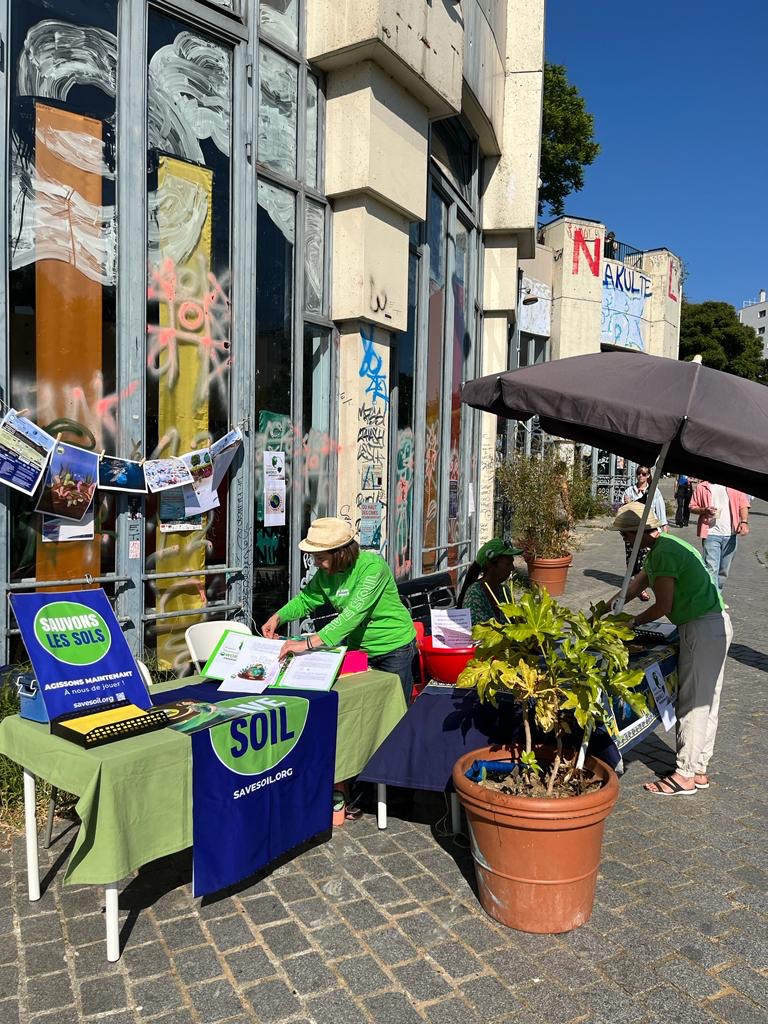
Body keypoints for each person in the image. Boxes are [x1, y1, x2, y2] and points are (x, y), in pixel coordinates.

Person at [609, 502, 732, 796]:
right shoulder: (666, 546)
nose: (625, 541)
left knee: (692, 703)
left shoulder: (662, 553)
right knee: (706, 701)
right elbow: (632, 587)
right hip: (715, 625)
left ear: (640, 533)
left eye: (626, 535)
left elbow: (662, 606)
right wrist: (602, 611)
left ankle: (684, 775)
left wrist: (631, 623)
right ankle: (698, 768)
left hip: (701, 628)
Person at [261, 517, 417, 704]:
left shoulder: (373, 567)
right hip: (358, 650)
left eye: (320, 558)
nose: (316, 564)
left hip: (394, 648)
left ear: (341, 553)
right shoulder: (325, 575)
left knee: (395, 708)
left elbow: (353, 614)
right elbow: (305, 600)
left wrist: (308, 643)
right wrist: (278, 617)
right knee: (362, 707)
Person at [689, 481, 750, 592]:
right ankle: (713, 602)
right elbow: (692, 507)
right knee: (712, 569)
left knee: (723, 571)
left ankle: (717, 596)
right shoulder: (702, 486)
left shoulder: (735, 486)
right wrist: (704, 510)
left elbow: (744, 505)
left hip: (731, 534)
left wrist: (744, 522)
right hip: (711, 534)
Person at [620, 466, 668, 600]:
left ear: (648, 476)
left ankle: (644, 587)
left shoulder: (654, 492)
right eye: (639, 473)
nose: (641, 476)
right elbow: (622, 512)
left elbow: (661, 514)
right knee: (632, 559)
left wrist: (665, 532)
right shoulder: (629, 491)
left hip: (649, 532)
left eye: (644, 474)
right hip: (632, 532)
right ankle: (638, 586)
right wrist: (625, 505)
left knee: (645, 560)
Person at [457, 538, 523, 625]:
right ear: (490, 565)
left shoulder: (504, 591)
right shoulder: (474, 593)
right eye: (508, 564)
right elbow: (481, 631)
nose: (512, 568)